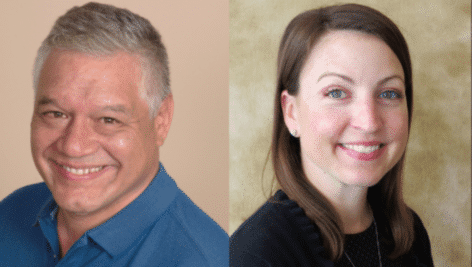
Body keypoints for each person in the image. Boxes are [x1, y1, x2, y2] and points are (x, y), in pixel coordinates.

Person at [0, 2, 228, 266]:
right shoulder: (12, 212)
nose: (74, 146)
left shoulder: (205, 260)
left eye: (108, 120)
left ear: (161, 121)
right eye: (56, 114)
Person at [230, 4, 434, 267]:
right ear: (291, 113)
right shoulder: (257, 254)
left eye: (389, 93)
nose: (369, 122)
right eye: (336, 92)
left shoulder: (410, 236)